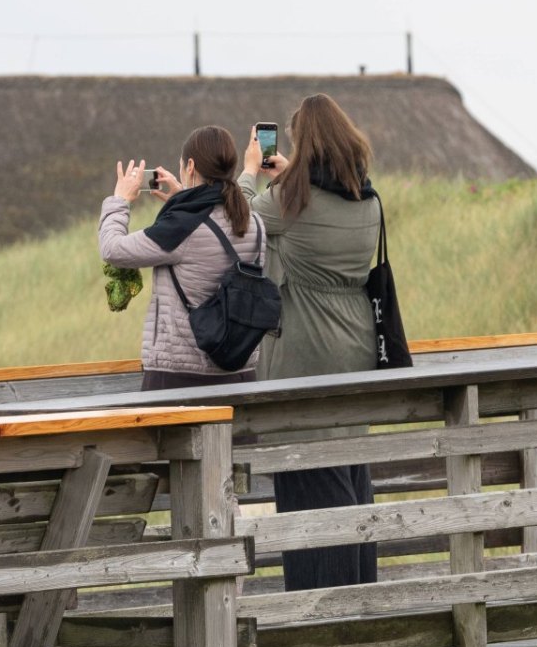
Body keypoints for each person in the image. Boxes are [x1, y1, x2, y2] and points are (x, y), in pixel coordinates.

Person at [238, 93, 381, 591]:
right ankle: (363, 596)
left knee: (309, 492)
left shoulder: (288, 202)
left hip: (305, 353)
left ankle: (324, 619)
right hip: (358, 351)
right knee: (350, 478)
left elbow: (241, 216)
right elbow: (312, 225)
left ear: (304, 141)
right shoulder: (368, 199)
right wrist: (289, 178)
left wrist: (251, 168)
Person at [99, 125, 266, 391]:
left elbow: (112, 249)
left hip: (181, 378)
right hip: (241, 374)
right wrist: (182, 199)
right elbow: (210, 232)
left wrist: (120, 200)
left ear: (190, 166)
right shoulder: (253, 220)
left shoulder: (182, 227)